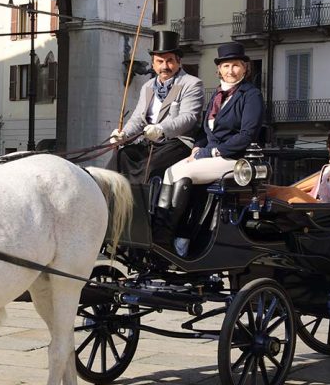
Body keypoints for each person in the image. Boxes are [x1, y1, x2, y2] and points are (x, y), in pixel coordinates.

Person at [155, 42, 263, 253]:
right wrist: (198, 147)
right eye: (225, 66)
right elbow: (205, 131)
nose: (230, 71)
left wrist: (212, 152)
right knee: (170, 172)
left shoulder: (251, 95)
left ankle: (178, 237)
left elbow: (247, 135)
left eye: (235, 66)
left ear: (245, 68)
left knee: (181, 172)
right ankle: (163, 232)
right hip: (210, 155)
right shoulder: (217, 96)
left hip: (234, 159)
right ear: (218, 70)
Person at [109, 30, 204, 183]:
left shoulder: (191, 83)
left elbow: (188, 118)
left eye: (169, 60)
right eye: (160, 61)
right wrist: (124, 135)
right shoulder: (147, 86)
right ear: (153, 64)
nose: (165, 66)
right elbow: (138, 119)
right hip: (150, 143)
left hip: (177, 142)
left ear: (178, 62)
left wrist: (161, 129)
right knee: (121, 157)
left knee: (150, 167)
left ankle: (143, 204)